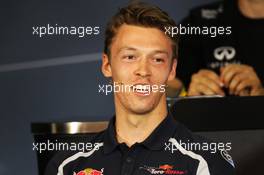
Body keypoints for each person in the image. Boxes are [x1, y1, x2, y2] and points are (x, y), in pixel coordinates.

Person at [45, 2, 235, 175]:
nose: (143, 71)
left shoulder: (207, 161)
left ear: (172, 70)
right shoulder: (67, 165)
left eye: (157, 59)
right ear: (107, 65)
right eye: (130, 57)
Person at [175, 0, 264, 97]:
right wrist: (188, 96)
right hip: (209, 111)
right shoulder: (199, 20)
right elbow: (171, 85)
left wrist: (260, 95)